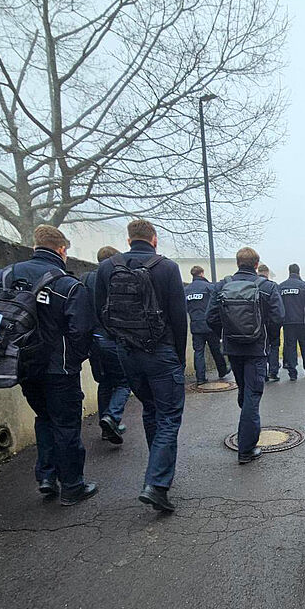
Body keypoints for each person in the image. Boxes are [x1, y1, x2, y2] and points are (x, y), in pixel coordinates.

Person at [0, 225, 96, 505]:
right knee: (66, 424)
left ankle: (46, 476)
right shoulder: (67, 285)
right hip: (59, 368)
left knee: (44, 418)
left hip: (21, 364)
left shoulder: (5, 276)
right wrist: (74, 359)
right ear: (62, 250)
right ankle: (72, 486)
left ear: (35, 247)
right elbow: (82, 330)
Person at [95, 219, 187, 512]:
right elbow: (178, 317)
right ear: (154, 239)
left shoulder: (107, 268)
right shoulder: (167, 268)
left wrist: (120, 341)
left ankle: (156, 468)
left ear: (129, 239)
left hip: (127, 353)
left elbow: (100, 312)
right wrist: (179, 356)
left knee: (150, 408)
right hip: (161, 352)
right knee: (169, 416)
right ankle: (156, 484)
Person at [207, 246, 284, 463]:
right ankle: (246, 449)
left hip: (233, 349)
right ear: (256, 264)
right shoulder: (267, 287)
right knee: (252, 395)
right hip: (256, 349)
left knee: (244, 390)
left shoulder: (222, 286)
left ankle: (246, 427)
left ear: (237, 263)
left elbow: (210, 318)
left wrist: (226, 335)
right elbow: (278, 318)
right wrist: (268, 340)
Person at [82, 246, 131, 445]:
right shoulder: (114, 279)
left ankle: (106, 426)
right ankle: (112, 417)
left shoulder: (85, 279)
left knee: (105, 382)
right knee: (124, 382)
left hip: (93, 340)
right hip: (111, 338)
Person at [185, 265, 230, 386]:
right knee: (215, 349)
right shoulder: (209, 287)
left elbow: (185, 308)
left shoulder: (186, 290)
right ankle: (222, 371)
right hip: (209, 324)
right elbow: (216, 304)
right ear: (202, 273)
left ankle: (200, 377)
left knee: (198, 351)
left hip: (195, 325)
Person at [279, 263, 305, 380]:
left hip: (287, 322)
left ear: (289, 272)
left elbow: (278, 305)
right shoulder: (303, 286)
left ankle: (292, 373)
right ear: (299, 272)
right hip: (302, 321)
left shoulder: (281, 287)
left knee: (290, 347)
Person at [257, 263, 282, 381]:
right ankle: (273, 371)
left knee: (261, 347)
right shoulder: (272, 286)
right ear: (267, 273)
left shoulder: (252, 286)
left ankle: (263, 373)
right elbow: (278, 308)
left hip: (257, 324)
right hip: (271, 323)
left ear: (258, 272)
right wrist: (278, 324)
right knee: (274, 346)